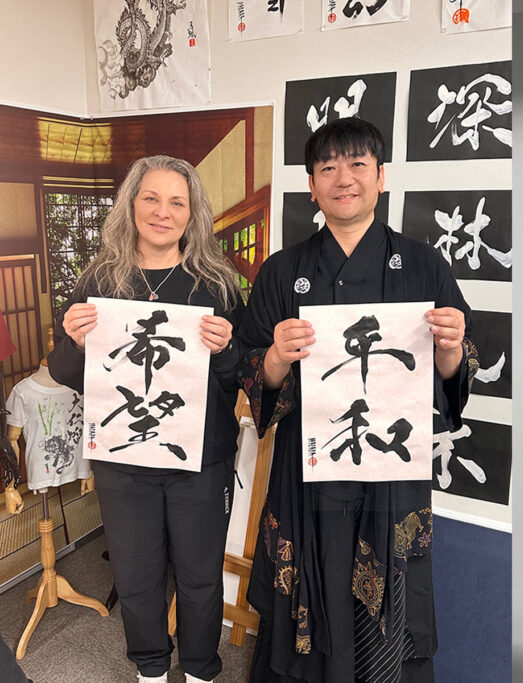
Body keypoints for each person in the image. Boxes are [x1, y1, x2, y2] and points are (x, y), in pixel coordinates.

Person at [237, 117, 477, 683]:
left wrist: (450, 347)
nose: (344, 178)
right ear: (312, 186)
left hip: (391, 478)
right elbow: (250, 373)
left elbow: (455, 374)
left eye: (357, 165)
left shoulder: (424, 265)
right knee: (307, 602)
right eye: (328, 168)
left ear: (381, 176)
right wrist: (274, 357)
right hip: (306, 472)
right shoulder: (281, 271)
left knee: (388, 607)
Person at [49, 155, 245, 683]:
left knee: (200, 576)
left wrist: (226, 351)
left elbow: (240, 376)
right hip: (123, 462)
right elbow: (66, 372)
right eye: (150, 199)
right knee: (136, 575)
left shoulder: (216, 284)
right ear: (131, 206)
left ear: (192, 213)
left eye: (176, 202)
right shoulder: (98, 279)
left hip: (199, 459)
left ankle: (202, 670)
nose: (163, 212)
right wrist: (73, 337)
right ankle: (151, 672)